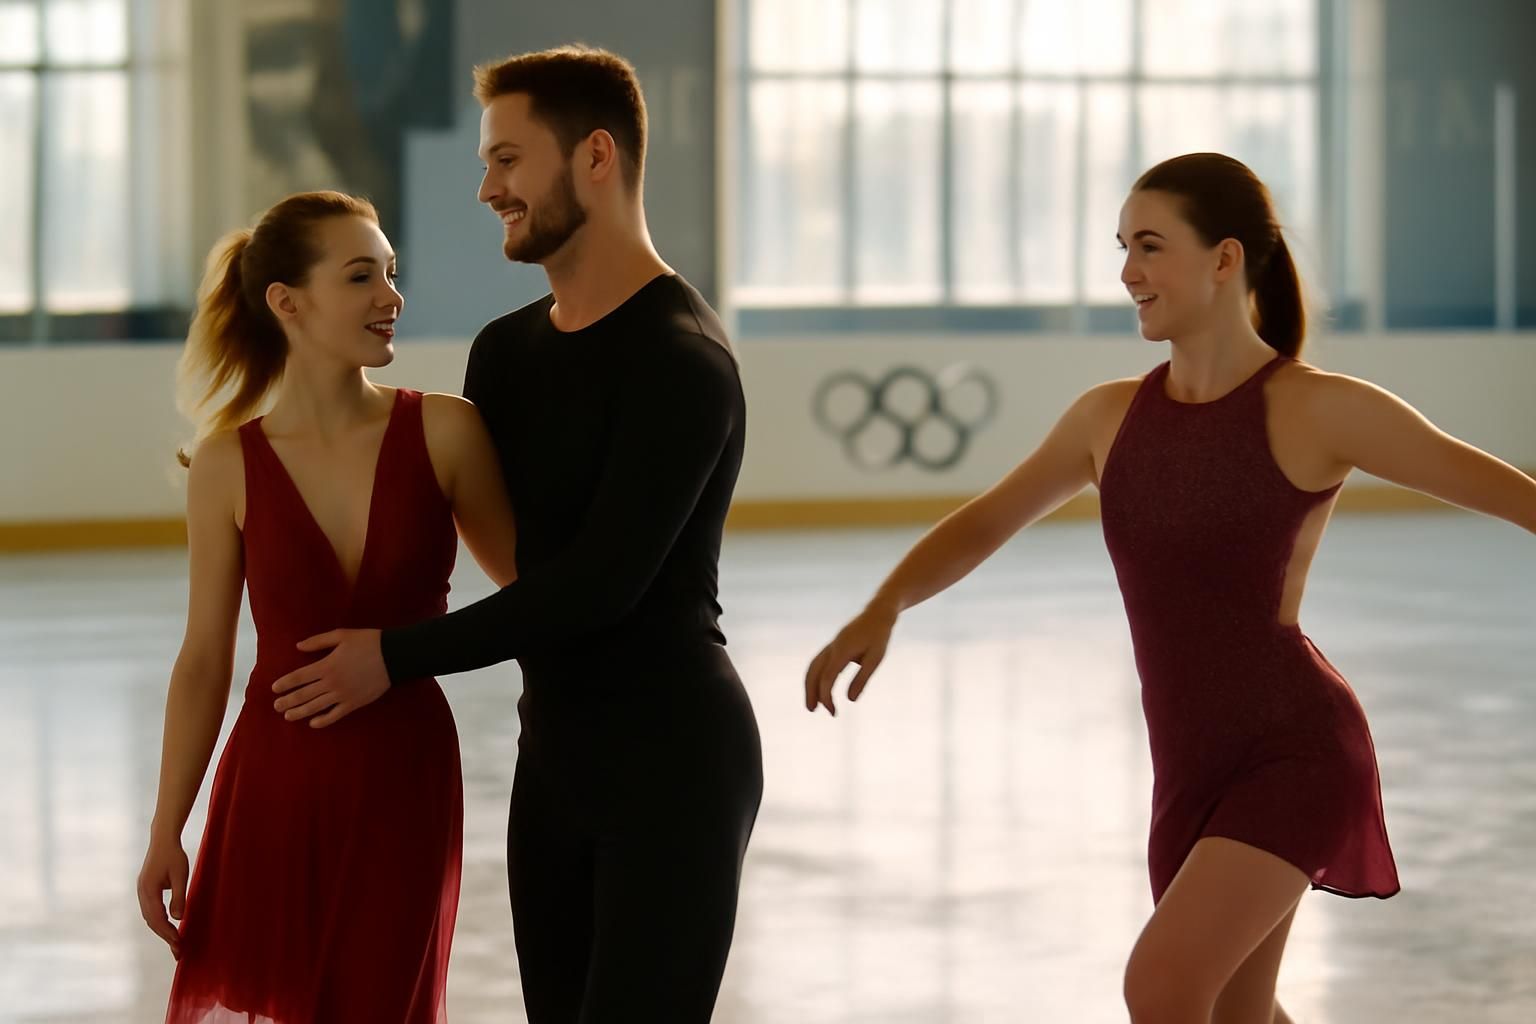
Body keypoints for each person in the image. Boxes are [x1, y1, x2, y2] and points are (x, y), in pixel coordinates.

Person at [805, 152, 1536, 1024]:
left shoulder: (1319, 407)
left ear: (1225, 259)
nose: (1128, 272)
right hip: (1188, 766)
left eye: (1150, 246)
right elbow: (987, 520)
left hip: (1295, 751)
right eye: (1123, 247)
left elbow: (1511, 495)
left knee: (1161, 987)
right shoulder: (1107, 418)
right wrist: (883, 604)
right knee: (1234, 1012)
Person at [267, 47, 764, 1022]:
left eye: (507, 159)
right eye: (487, 163)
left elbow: (597, 588)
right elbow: (508, 558)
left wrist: (393, 657)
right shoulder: (505, 353)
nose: (487, 188)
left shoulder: (682, 360)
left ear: (595, 158)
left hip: (674, 768)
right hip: (555, 766)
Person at [136, 190, 518, 1023]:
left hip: (405, 779)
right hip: (274, 784)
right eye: (360, 276)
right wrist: (168, 826)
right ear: (287, 302)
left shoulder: (447, 432)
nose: (391, 296)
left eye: (391, 273)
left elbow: (534, 602)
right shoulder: (226, 464)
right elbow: (204, 659)